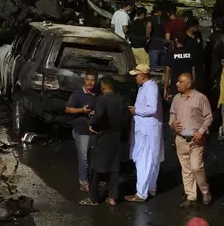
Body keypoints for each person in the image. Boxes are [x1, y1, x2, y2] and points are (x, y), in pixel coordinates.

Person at [80, 76, 130, 207]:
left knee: (95, 168)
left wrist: (92, 123)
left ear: (103, 88)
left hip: (103, 137)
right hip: (117, 138)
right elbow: (126, 118)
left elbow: (99, 115)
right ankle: (113, 198)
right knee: (114, 169)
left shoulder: (102, 100)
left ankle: (93, 198)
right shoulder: (121, 99)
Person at [169, 73, 213, 207]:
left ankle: (205, 191)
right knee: (186, 169)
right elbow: (172, 114)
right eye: (177, 81)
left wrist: (201, 131)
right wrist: (172, 123)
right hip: (181, 139)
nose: (177, 84)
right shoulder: (176, 98)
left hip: (196, 140)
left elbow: (209, 117)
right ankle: (191, 196)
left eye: (180, 82)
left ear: (189, 84)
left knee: (196, 167)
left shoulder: (200, 98)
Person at [125, 64, 164, 203]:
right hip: (148, 129)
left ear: (143, 75)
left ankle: (141, 193)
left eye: (136, 75)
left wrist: (136, 111)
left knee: (144, 160)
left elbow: (152, 108)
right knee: (151, 159)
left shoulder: (150, 88)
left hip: (147, 130)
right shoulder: (147, 87)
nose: (135, 78)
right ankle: (151, 188)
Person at [66, 70, 100, 192]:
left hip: (94, 130)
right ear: (84, 80)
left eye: (92, 80)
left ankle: (93, 179)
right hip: (81, 130)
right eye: (88, 79)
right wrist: (81, 110)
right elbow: (68, 109)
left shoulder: (98, 94)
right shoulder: (78, 94)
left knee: (93, 157)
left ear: (96, 81)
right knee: (84, 157)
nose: (90, 82)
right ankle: (84, 182)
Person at [163, 33, 196, 100]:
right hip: (188, 86)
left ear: (176, 40)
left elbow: (167, 72)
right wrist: (194, 86)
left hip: (176, 86)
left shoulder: (171, 54)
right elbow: (193, 71)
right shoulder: (190, 54)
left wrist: (165, 88)